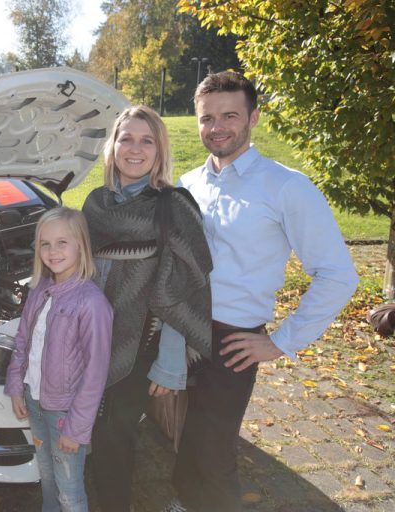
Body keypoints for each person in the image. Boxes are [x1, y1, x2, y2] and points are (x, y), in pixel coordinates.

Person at [170, 71, 359, 512]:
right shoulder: (188, 184)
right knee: (187, 433)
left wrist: (279, 342)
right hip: (181, 330)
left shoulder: (287, 187)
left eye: (229, 115)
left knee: (216, 452)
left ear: (253, 117)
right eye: (207, 118)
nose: (216, 127)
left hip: (233, 338)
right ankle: (181, 501)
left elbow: (337, 275)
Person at [82, 106, 213, 512]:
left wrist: (171, 363)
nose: (135, 149)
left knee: (116, 438)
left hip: (144, 344)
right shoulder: (95, 203)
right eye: (126, 138)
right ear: (113, 146)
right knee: (92, 432)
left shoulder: (173, 206)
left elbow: (183, 288)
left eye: (147, 140)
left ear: (160, 150)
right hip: (91, 337)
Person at [5, 207, 113, 512]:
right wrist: (16, 386)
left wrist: (76, 429)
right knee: (48, 478)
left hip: (65, 413)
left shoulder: (92, 303)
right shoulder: (39, 291)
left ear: (81, 245)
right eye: (45, 243)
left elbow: (96, 372)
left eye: (62, 242)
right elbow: (23, 340)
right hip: (36, 404)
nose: (53, 251)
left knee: (69, 490)